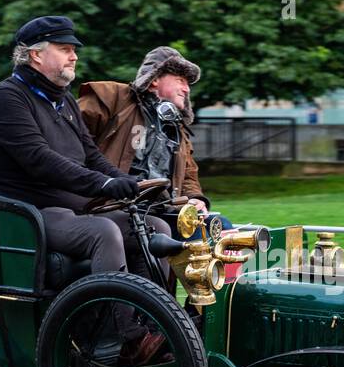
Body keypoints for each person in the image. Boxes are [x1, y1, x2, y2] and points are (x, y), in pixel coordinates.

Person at [0, 15, 170, 364]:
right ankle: (122, 340)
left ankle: (159, 328)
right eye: (65, 49)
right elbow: (39, 159)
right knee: (104, 233)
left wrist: (125, 184)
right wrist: (105, 184)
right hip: (28, 214)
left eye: (73, 51)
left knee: (155, 227)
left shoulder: (63, 100)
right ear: (36, 56)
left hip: (75, 207)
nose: (74, 57)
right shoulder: (6, 99)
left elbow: (92, 155)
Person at [79, 46, 231, 239]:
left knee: (222, 227)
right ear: (154, 79)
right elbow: (67, 132)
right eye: (180, 80)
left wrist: (195, 199)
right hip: (114, 204)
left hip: (160, 208)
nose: (187, 89)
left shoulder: (177, 129)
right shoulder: (114, 99)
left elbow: (188, 176)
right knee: (194, 239)